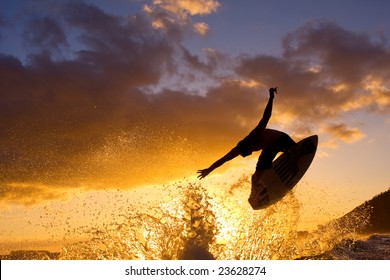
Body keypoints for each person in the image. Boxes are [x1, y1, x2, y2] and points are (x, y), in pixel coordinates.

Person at [197, 87, 297, 207]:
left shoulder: (256, 134)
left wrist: (271, 98)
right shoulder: (239, 148)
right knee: (255, 177)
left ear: (250, 145)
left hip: (281, 139)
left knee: (293, 152)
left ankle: (292, 159)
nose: (250, 154)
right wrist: (209, 170)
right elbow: (223, 160)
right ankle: (255, 195)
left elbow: (266, 116)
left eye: (249, 152)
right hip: (269, 148)